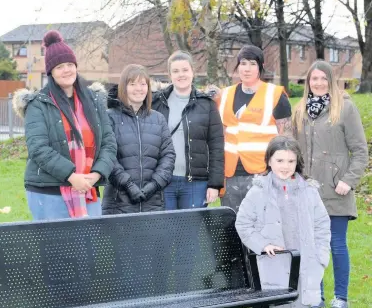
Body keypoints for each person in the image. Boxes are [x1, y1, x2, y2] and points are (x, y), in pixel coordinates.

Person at [235, 135, 331, 308]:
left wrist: (321, 256)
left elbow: (322, 224)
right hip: (276, 265)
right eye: (279, 160)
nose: (285, 166)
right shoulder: (259, 192)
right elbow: (243, 224)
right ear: (269, 160)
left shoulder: (309, 191)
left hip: (305, 264)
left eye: (290, 160)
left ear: (297, 162)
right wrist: (262, 244)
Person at [13, 30, 117, 220]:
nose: (67, 70)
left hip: (88, 188)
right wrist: (71, 176)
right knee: (56, 249)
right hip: (49, 191)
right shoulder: (38, 104)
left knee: (88, 248)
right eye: (60, 66)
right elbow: (38, 148)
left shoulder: (93, 101)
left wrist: (96, 174)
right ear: (51, 72)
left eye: (70, 64)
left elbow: (109, 142)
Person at [292, 60, 368, 308]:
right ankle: (317, 296)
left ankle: (341, 297)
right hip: (308, 191)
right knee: (312, 246)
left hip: (336, 190)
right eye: (314, 79)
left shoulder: (345, 108)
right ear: (308, 82)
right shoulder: (300, 110)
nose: (319, 83)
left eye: (324, 78)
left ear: (331, 81)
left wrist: (348, 180)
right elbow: (292, 149)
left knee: (336, 244)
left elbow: (360, 151)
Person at [218, 45, 292, 212]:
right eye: (243, 63)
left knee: (261, 230)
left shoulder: (274, 95)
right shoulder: (225, 95)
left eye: (252, 63)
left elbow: (287, 140)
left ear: (261, 66)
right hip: (230, 175)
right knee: (233, 231)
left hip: (263, 174)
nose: (247, 69)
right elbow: (219, 137)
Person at [151, 50, 224, 210]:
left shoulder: (207, 104)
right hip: (163, 181)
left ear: (193, 72)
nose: (181, 75)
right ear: (169, 75)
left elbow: (217, 146)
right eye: (175, 71)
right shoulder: (156, 102)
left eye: (185, 70)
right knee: (164, 232)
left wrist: (214, 184)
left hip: (195, 183)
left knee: (191, 233)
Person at [102, 64, 175, 214]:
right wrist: (128, 185)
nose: (139, 89)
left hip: (153, 202)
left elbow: (168, 155)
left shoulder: (158, 119)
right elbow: (107, 156)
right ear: (124, 87)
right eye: (133, 84)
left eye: (143, 84)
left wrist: (154, 185)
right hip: (119, 203)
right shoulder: (109, 117)